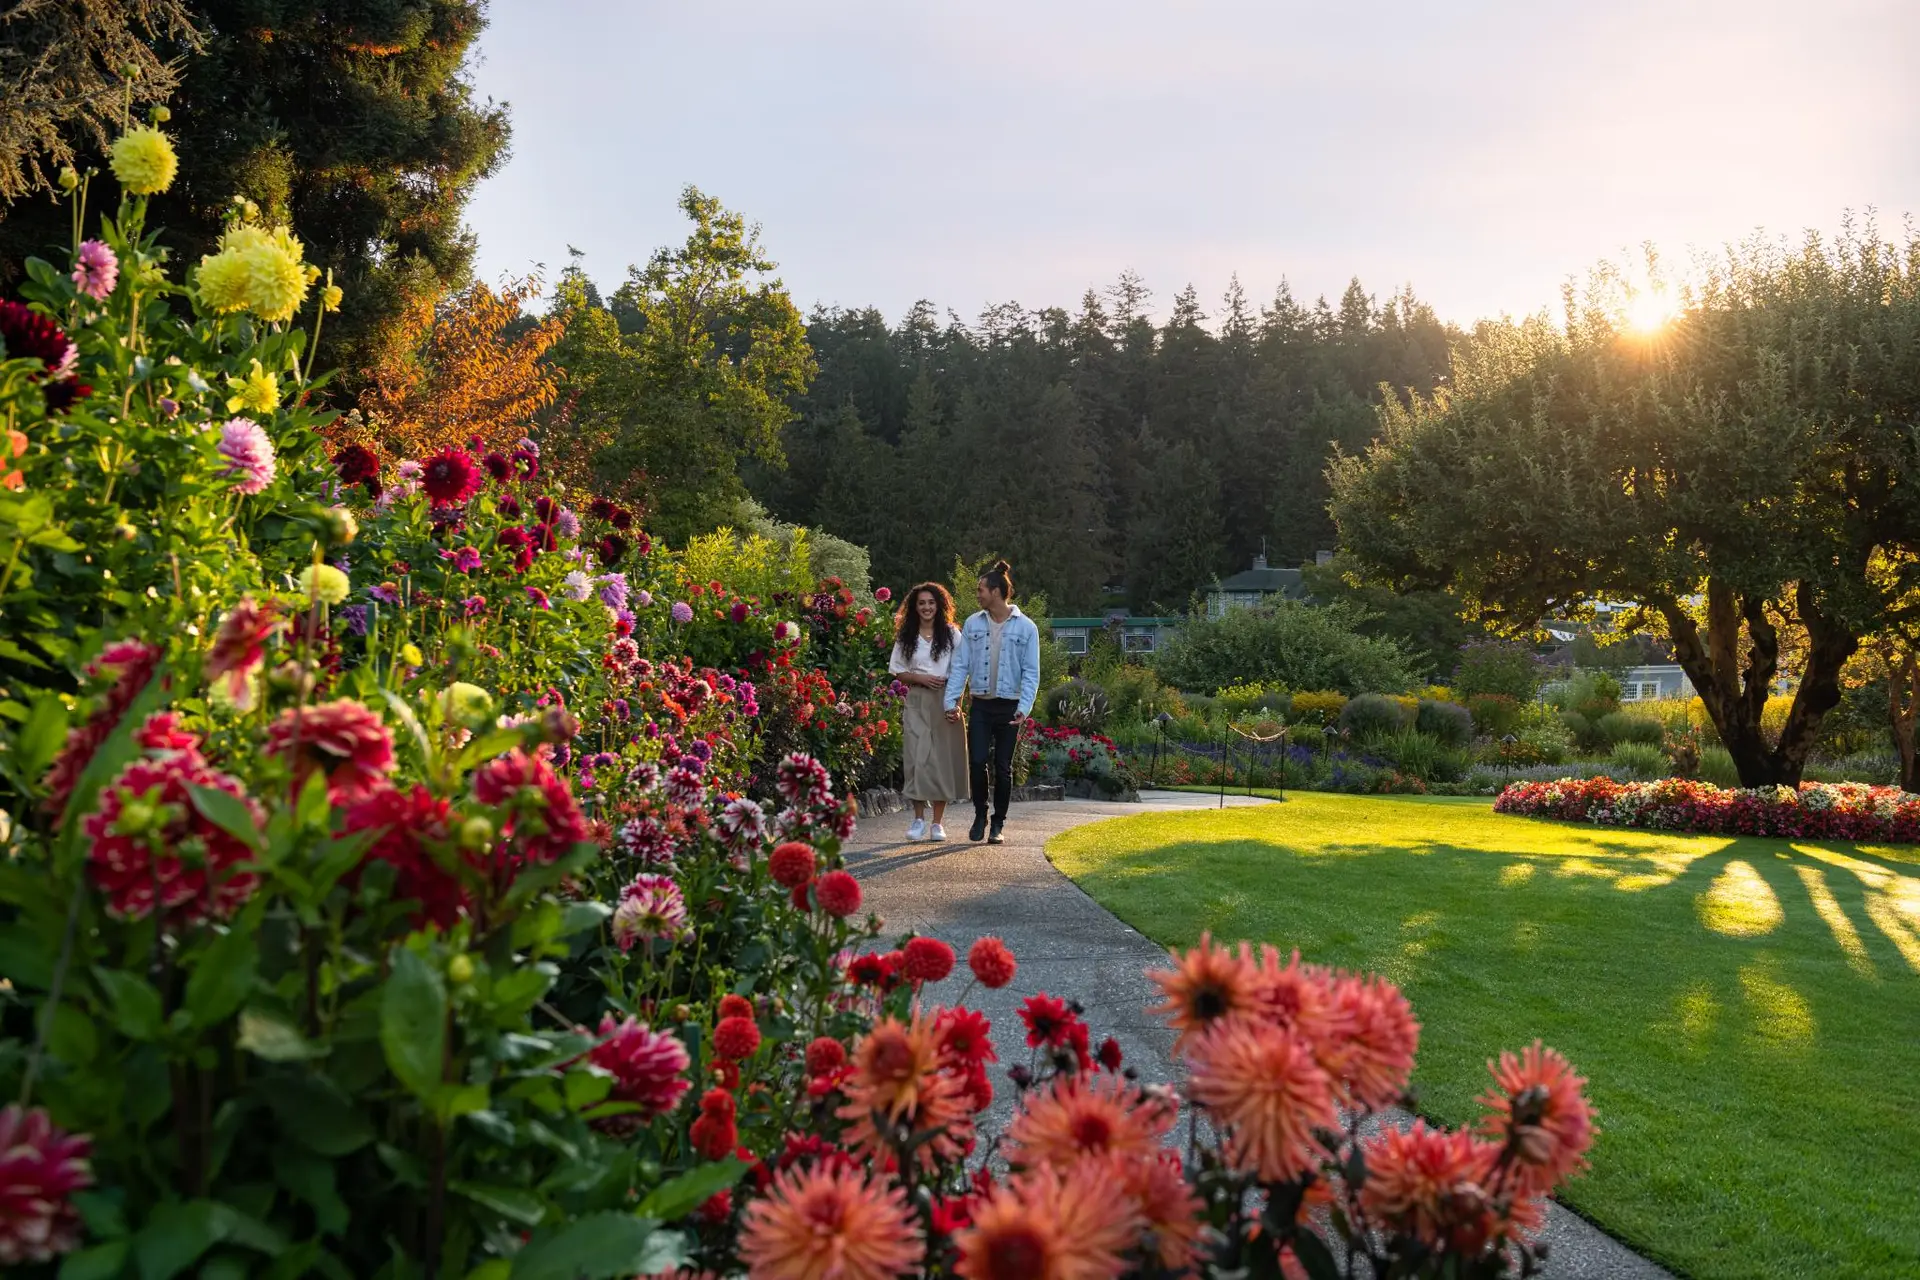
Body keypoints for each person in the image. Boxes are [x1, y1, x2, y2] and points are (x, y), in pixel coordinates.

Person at [943, 559, 1041, 843]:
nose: (978, 594)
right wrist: (951, 701)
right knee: (976, 762)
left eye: (981, 589)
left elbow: (1031, 672)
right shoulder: (973, 623)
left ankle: (998, 824)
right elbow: (961, 665)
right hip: (982, 706)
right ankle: (980, 815)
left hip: (1010, 707)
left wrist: (1024, 708)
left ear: (996, 592)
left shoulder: (1027, 627)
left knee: (1003, 767)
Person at [888, 582, 970, 840]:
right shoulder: (907, 636)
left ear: (939, 605)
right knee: (917, 757)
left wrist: (956, 703)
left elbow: (961, 670)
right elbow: (897, 670)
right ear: (915, 607)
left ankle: (937, 823)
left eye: (931, 602)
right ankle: (917, 820)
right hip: (917, 700)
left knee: (940, 760)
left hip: (946, 699)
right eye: (922, 603)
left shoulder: (952, 634)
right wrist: (919, 678)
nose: (927, 607)